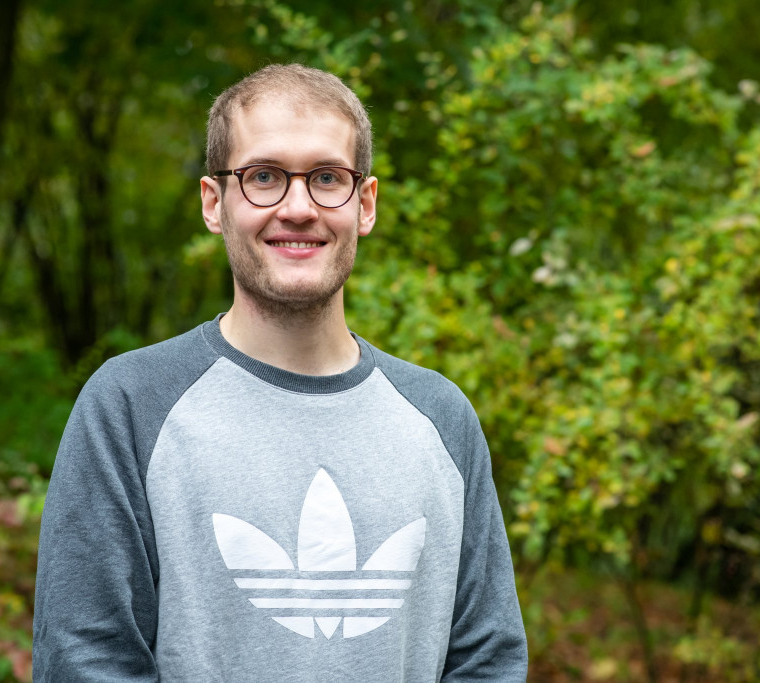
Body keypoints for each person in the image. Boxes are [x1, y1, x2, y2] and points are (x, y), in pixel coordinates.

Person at [32, 63, 527, 682]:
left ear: (365, 204)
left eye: (327, 178)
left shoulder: (442, 418)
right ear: (215, 204)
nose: (298, 208)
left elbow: (488, 661)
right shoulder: (131, 404)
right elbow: (85, 660)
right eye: (263, 177)